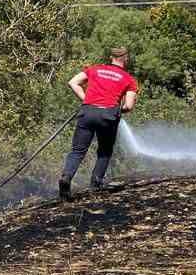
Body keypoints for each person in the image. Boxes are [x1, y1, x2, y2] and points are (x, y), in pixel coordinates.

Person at [58, 46, 139, 200]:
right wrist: (116, 110)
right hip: (108, 115)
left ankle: (66, 178)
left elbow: (73, 82)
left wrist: (86, 100)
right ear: (126, 59)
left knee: (77, 150)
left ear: (111, 57)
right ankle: (95, 184)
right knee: (104, 151)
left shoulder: (95, 69)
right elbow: (128, 106)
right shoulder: (129, 79)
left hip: (87, 112)